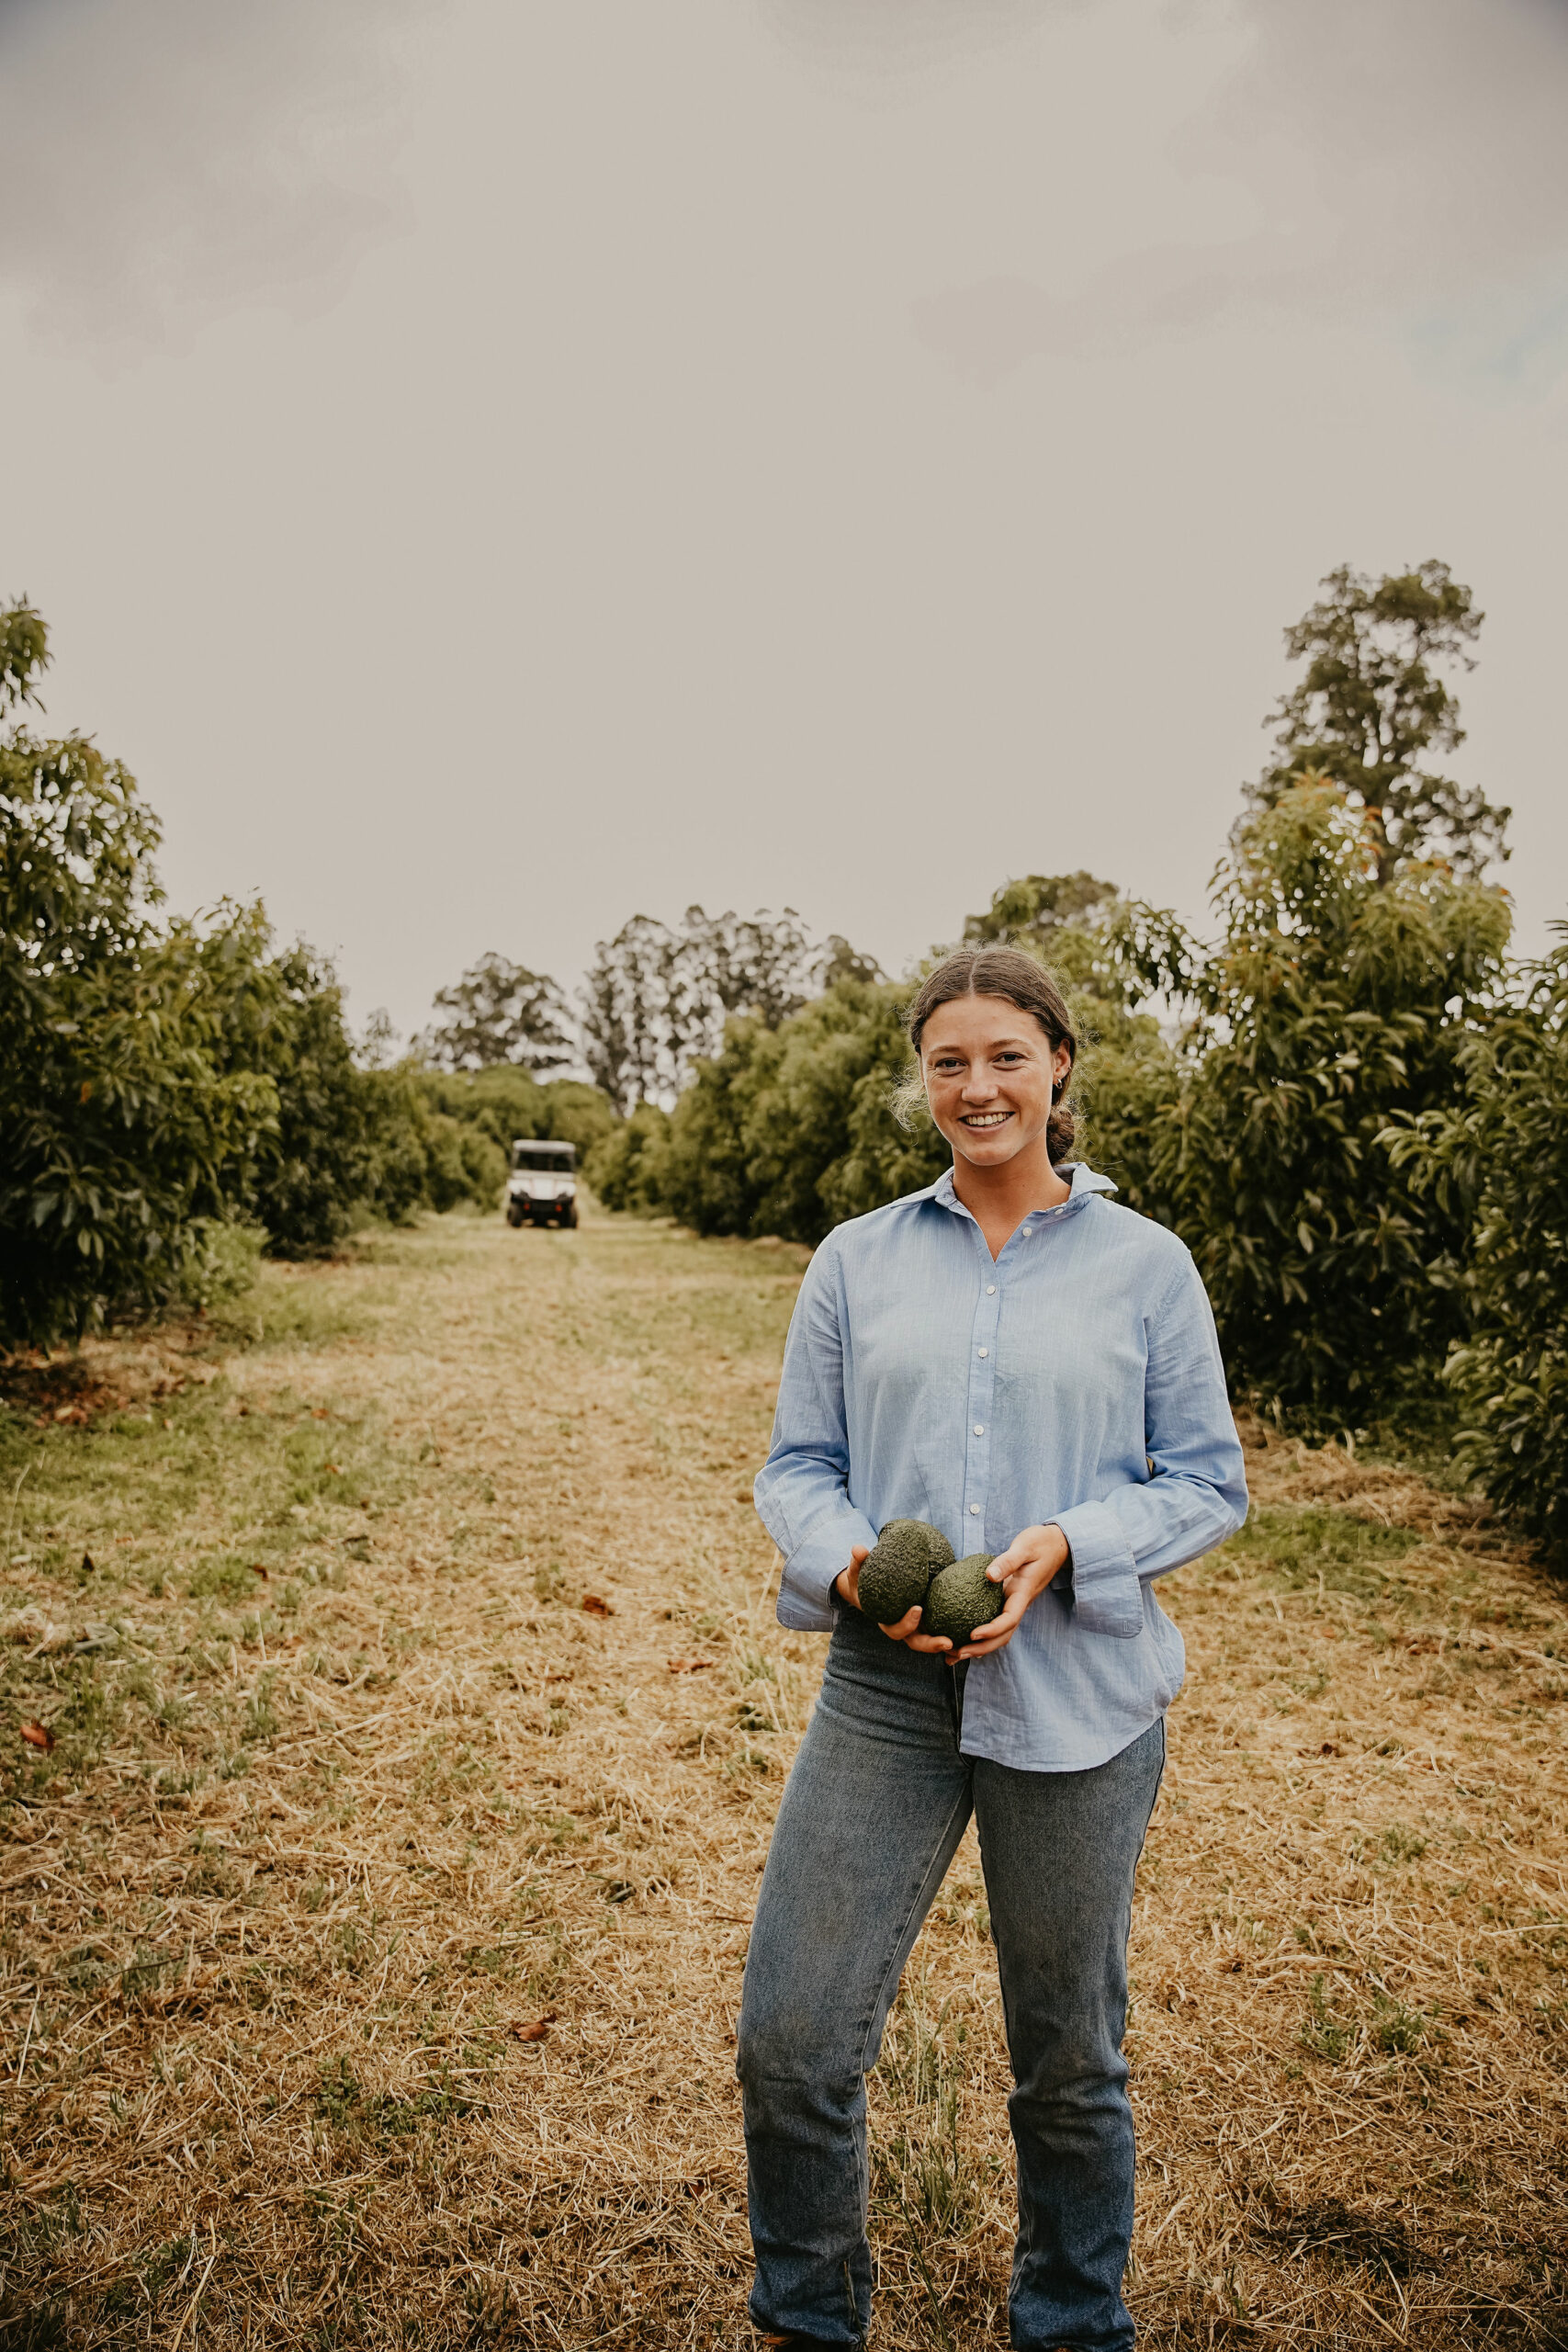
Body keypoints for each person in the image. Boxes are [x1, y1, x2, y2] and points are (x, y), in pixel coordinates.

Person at [740, 945, 1247, 2352]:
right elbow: (798, 1468)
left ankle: (1075, 2325)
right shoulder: (858, 1259)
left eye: (1006, 1057)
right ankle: (805, 2319)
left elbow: (1208, 1480)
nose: (978, 1087)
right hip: (885, 1688)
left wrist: (1071, 1541)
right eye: (949, 1061)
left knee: (1069, 2063)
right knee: (791, 2037)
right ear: (924, 1080)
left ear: (1059, 1067)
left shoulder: (1147, 1266)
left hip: (1079, 1695)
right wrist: (850, 1564)